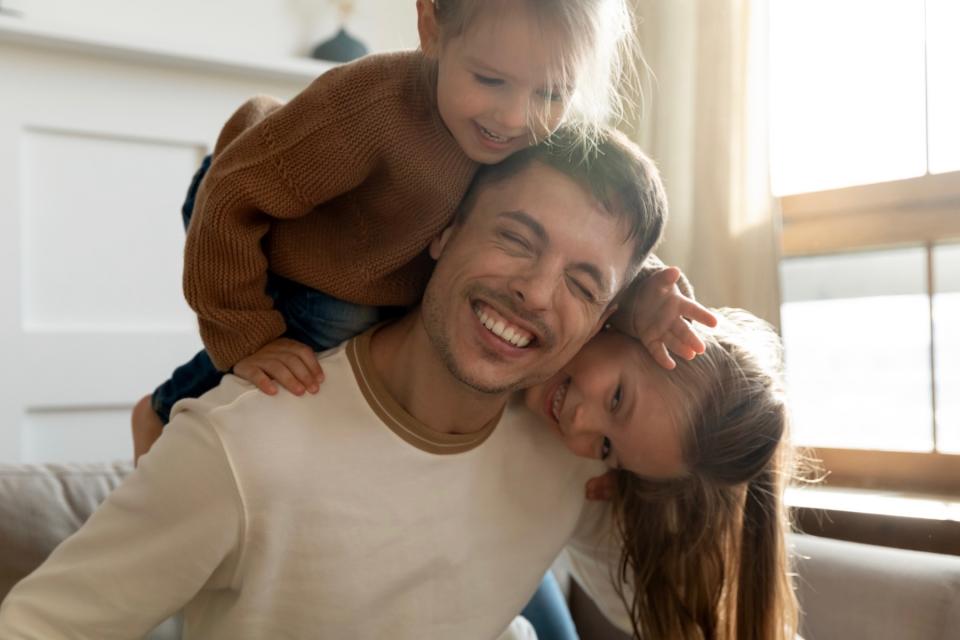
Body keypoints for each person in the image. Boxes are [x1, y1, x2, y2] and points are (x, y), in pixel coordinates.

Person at [0, 128, 669, 638]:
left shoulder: (572, 450)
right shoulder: (243, 447)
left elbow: (670, 603)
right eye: (516, 239)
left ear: (606, 319)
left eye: (583, 284)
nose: (534, 291)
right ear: (444, 231)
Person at [131, 0, 649, 462]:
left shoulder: (535, 128)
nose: (515, 117)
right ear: (430, 25)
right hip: (263, 216)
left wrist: (649, 295)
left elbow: (592, 223)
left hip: (374, 254)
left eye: (553, 94)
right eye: (490, 81)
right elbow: (230, 197)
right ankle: (164, 408)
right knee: (329, 335)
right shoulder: (367, 110)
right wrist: (246, 337)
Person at [522, 309, 800, 640]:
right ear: (639, 327)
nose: (579, 422)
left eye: (607, 448)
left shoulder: (603, 490)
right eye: (616, 398)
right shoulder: (637, 299)